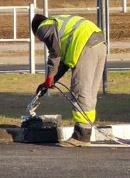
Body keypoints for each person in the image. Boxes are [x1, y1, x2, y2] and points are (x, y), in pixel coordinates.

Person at [31, 13, 106, 143]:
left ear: (35, 31)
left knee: (80, 92)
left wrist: (49, 77)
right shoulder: (62, 30)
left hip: (85, 44)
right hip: (99, 43)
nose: (41, 40)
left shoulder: (43, 27)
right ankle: (85, 132)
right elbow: (63, 63)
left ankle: (80, 137)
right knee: (90, 93)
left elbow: (55, 53)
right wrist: (49, 81)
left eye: (38, 38)